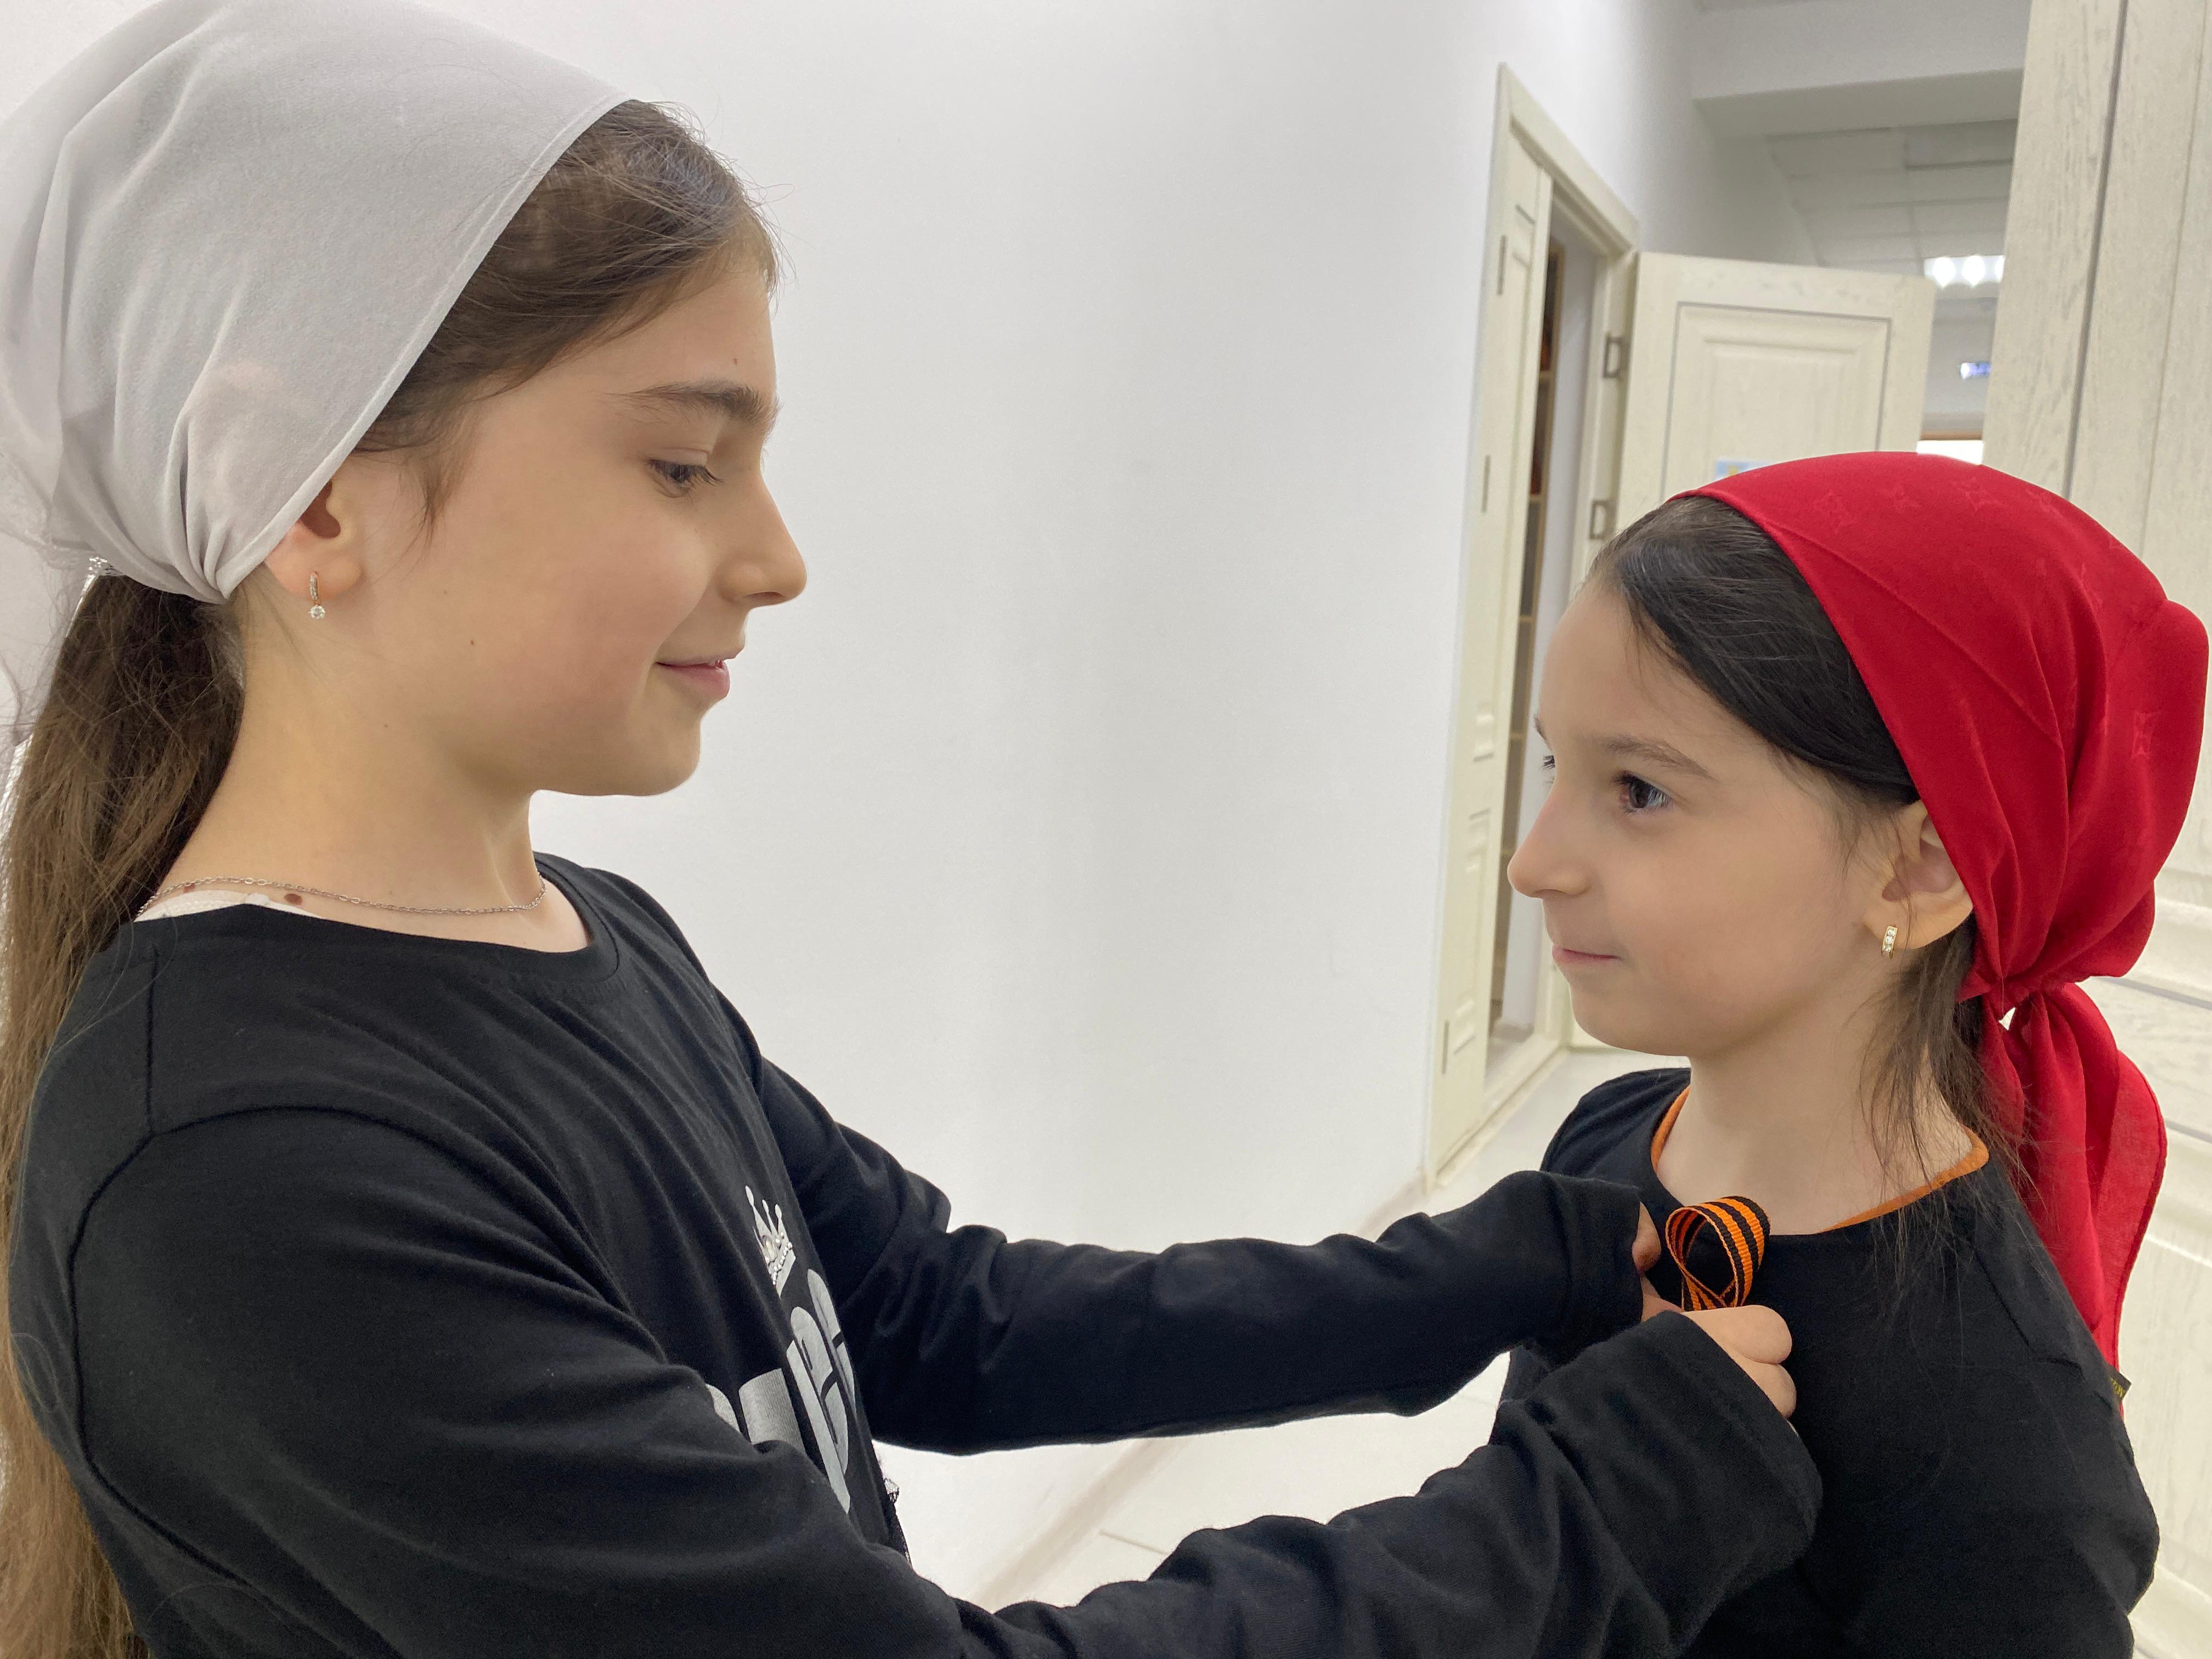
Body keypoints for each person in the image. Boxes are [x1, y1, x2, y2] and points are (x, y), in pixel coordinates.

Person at [0, 3, 1820, 1656]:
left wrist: (1526, 1257)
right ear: (315, 497)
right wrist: (1613, 1497)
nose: (778, 557)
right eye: (684, 460)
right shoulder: (240, 1174)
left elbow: (951, 1318)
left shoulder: (590, 932)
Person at [1497, 455, 2206, 1659]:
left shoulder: (2006, 1463)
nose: (1533, 863)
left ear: (1916, 869)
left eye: (1641, 790)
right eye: (1558, 765)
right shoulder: (1606, 1139)